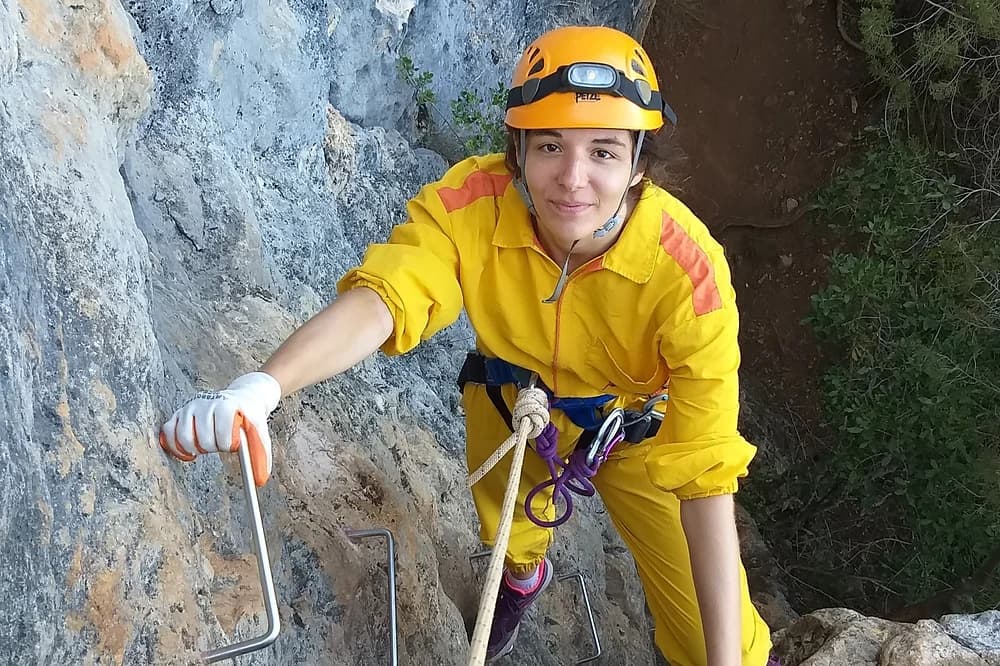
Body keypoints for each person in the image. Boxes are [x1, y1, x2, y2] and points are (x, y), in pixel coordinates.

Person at [160, 25, 777, 666]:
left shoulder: (687, 275)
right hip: (511, 403)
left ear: (638, 164)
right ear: (517, 151)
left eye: (603, 152)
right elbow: (383, 300)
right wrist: (263, 386)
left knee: (719, 644)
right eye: (549, 146)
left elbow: (706, 475)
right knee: (512, 530)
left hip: (632, 436)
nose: (572, 179)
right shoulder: (472, 208)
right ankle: (519, 578)